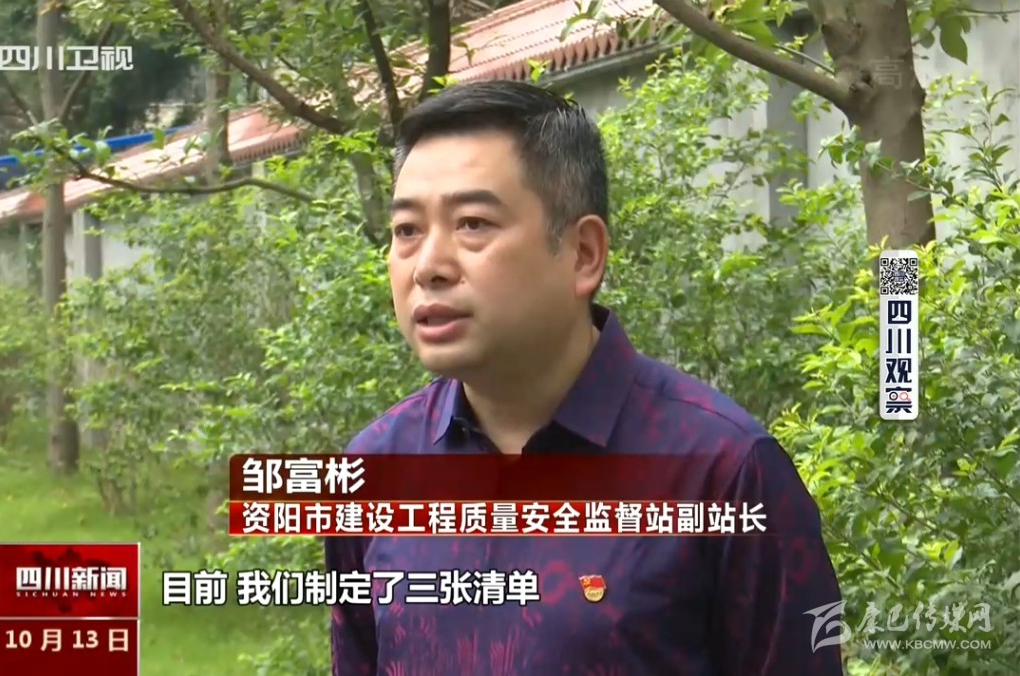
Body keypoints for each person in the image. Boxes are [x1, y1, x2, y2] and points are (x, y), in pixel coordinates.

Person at [324, 80, 844, 675]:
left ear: (583, 254)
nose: (428, 267)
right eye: (407, 230)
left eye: (472, 223)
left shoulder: (723, 472)